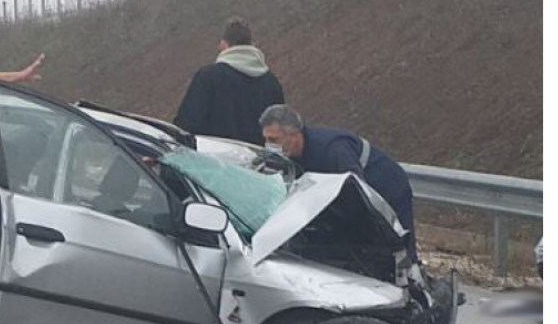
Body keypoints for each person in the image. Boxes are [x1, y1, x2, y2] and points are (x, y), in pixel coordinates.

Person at [259, 104, 418, 264]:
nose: (268, 145)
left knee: (398, 243)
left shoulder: (332, 149)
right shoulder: (292, 156)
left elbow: (356, 188)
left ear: (294, 135)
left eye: (273, 139)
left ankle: (411, 278)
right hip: (355, 191)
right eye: (265, 139)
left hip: (387, 186)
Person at [173, 17, 284, 145]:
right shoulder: (271, 83)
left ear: (224, 45)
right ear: (252, 45)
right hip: (256, 162)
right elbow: (279, 134)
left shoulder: (209, 77)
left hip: (212, 160)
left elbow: (185, 126)